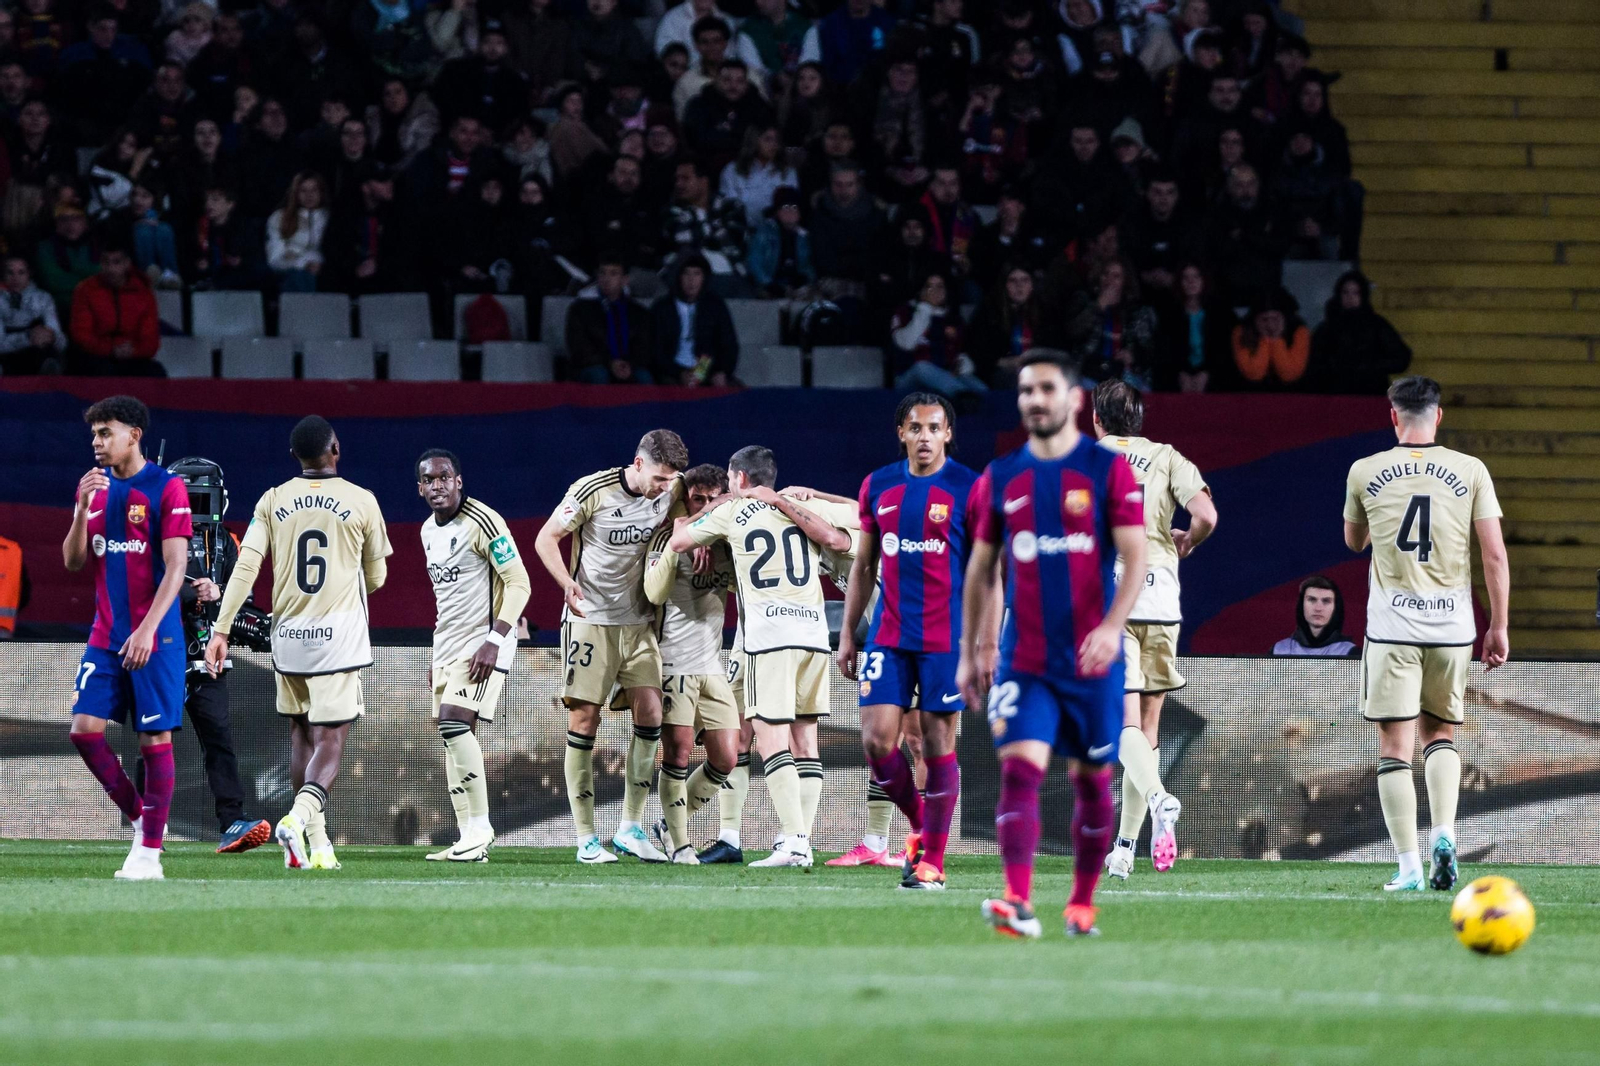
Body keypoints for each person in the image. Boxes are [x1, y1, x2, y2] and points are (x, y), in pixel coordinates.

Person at [958, 350, 1148, 939]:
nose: (1035, 400)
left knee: (1091, 781)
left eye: (1046, 389)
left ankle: (1081, 905)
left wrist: (1112, 627)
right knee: (1020, 772)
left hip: (1092, 660)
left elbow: (1137, 555)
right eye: (1025, 391)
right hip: (1026, 659)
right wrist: (973, 651)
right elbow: (981, 570)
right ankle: (1017, 901)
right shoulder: (1000, 476)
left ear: (1074, 399)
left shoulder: (1107, 470)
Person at [1342, 375, 1509, 893]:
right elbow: (1494, 554)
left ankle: (1410, 866)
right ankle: (1444, 834)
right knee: (1440, 735)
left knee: (1395, 748)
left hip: (1392, 629)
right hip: (1452, 628)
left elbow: (1353, 541)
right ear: (1438, 416)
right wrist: (1499, 625)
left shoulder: (1365, 470)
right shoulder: (1471, 469)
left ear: (1393, 416)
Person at [207, 416, 394, 871]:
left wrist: (221, 630)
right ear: (336, 448)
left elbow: (246, 566)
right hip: (337, 639)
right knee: (331, 739)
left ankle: (320, 846)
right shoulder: (362, 500)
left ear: (294, 456)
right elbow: (377, 576)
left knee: (301, 735)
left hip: (287, 636)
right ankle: (297, 818)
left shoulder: (273, 499)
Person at [669, 445, 856, 868]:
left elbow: (679, 538)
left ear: (738, 478)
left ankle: (794, 841)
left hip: (770, 637)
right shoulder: (803, 506)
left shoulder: (733, 511)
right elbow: (858, 517)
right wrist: (814, 496)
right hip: (814, 634)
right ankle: (799, 839)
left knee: (770, 741)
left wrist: (715, 504)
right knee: (806, 743)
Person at [833, 393, 978, 888]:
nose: (925, 437)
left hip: (946, 638)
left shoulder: (969, 488)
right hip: (888, 634)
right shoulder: (878, 485)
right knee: (876, 742)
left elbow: (988, 570)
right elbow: (863, 565)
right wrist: (849, 634)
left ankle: (931, 861)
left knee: (937, 745)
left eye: (934, 428)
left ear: (947, 434)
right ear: (902, 433)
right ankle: (922, 825)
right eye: (915, 428)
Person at [533, 430, 690, 864]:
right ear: (638, 464)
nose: (665, 486)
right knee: (585, 720)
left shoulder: (674, 487)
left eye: (670, 479)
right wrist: (566, 584)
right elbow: (545, 539)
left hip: (638, 623)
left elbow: (698, 503)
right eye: (659, 478)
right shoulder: (592, 491)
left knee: (652, 713)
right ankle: (586, 838)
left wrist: (682, 525)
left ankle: (629, 827)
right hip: (590, 621)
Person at [1091, 380, 1218, 880]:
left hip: (1112, 599)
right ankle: (1125, 848)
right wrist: (1188, 541)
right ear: (1138, 420)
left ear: (1096, 420)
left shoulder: (1085, 458)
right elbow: (1205, 514)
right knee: (1147, 730)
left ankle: (1160, 797)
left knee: (1121, 724)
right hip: (1162, 597)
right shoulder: (1166, 456)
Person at [62, 395, 192, 881]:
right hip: (106, 634)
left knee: (153, 736)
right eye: (94, 434)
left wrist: (147, 629)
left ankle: (148, 855)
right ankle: (143, 818)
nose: (97, 442)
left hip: (155, 636)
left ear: (134, 435)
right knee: (83, 730)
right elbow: (73, 561)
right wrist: (80, 510)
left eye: (106, 432)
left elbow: (176, 567)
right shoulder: (93, 489)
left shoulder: (166, 487)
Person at [416, 449, 532, 863]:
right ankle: (468, 838)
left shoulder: (483, 521)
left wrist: (494, 640)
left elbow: (519, 584)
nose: (437, 485)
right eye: (429, 480)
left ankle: (481, 826)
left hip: (485, 642)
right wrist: (436, 658)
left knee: (453, 723)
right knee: (452, 738)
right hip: (448, 646)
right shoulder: (427, 532)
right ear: (420, 488)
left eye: (444, 477)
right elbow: (444, 602)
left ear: (458, 481)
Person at [161, 456, 273, 855]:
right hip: (162, 656)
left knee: (220, 743)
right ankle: (146, 822)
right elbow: (141, 589)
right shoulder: (154, 536)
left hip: (209, 661)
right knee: (154, 741)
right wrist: (189, 592)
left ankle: (232, 822)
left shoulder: (228, 542)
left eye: (200, 500)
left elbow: (246, 602)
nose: (194, 510)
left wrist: (220, 592)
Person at [642, 463, 739, 863]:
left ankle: (667, 826)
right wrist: (683, 540)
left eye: (712, 499)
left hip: (712, 664)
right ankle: (681, 845)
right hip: (673, 662)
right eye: (697, 499)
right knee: (678, 753)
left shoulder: (729, 541)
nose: (704, 506)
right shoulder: (666, 537)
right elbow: (653, 593)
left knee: (727, 757)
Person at [1310, 270, 1411, 395]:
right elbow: (1314, 362)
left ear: (1363, 295)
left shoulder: (1377, 325)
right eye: (1345, 292)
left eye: (1356, 293)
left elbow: (1401, 358)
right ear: (1339, 295)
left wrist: (1370, 367)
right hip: (1336, 395)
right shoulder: (1327, 328)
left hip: (1370, 395)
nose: (1350, 297)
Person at [68, 244, 162, 378]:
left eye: (116, 262)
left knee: (156, 372)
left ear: (127, 263)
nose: (111, 268)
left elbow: (151, 341)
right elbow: (81, 335)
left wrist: (133, 351)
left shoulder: (143, 293)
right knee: (95, 369)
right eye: (106, 262)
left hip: (133, 357)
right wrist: (110, 349)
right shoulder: (85, 290)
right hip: (96, 355)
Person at [889, 271, 984, 400]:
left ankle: (978, 402)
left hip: (945, 377)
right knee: (922, 367)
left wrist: (962, 365)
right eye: (929, 286)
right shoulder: (905, 312)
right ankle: (962, 397)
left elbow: (961, 352)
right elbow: (907, 344)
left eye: (940, 286)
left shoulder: (953, 318)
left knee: (980, 389)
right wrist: (924, 309)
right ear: (921, 289)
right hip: (908, 377)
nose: (934, 291)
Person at [649, 253, 738, 386]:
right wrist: (679, 373)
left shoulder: (715, 306)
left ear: (704, 277)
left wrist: (721, 371)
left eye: (697, 274)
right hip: (671, 373)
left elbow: (728, 345)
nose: (691, 280)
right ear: (678, 276)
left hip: (706, 371)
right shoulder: (662, 308)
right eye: (686, 273)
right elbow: (655, 350)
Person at [565, 256, 654, 384]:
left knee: (644, 377)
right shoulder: (580, 309)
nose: (606, 279)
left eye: (613, 274)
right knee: (599, 375)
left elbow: (644, 347)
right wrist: (610, 363)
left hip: (628, 365)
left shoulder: (639, 313)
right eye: (602, 273)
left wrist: (629, 364)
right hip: (592, 366)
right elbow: (579, 348)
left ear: (625, 280)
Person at [0, 255, 66, 375]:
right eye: (10, 272)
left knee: (49, 356)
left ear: (29, 274)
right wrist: (27, 337)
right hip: (6, 359)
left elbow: (61, 340)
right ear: (3, 274)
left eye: (21, 272)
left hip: (37, 355)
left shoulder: (43, 299)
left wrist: (52, 337)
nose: (15, 278)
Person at [1231, 290, 1310, 390]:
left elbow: (1289, 375)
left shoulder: (1299, 332)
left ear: (1284, 319)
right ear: (1255, 320)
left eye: (1275, 319)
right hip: (1251, 394)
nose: (1270, 326)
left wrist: (1277, 339)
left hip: (1291, 394)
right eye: (1264, 319)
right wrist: (1265, 341)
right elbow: (1254, 374)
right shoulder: (1242, 332)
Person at [266, 171, 330, 293]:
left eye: (314, 190)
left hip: (323, 271)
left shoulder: (330, 218)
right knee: (300, 277)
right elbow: (274, 258)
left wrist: (321, 266)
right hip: (292, 272)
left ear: (321, 192)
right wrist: (303, 264)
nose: (309, 195)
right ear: (296, 193)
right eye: (303, 191)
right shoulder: (280, 217)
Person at [1272, 575, 1358, 657]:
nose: (1318, 608)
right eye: (1312, 600)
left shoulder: (1350, 652)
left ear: (1336, 607)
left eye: (1326, 601)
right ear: (1301, 605)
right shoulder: (1279, 650)